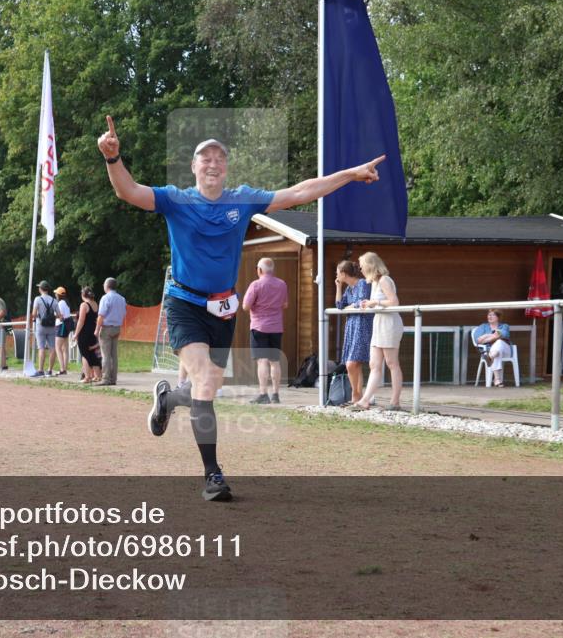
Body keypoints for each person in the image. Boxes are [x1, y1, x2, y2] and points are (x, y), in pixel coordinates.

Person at [98, 115, 385, 501]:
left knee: (208, 388)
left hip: (223, 308)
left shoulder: (242, 199)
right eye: (205, 158)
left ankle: (168, 399)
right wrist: (113, 160)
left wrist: (350, 173)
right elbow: (129, 191)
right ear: (194, 167)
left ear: (226, 167)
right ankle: (212, 474)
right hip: (183, 302)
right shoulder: (176, 199)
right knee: (203, 381)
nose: (213, 163)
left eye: (219, 158)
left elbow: (299, 193)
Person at [353, 252, 404, 411]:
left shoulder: (384, 280)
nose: (360, 269)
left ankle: (395, 402)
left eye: (362, 266)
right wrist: (369, 304)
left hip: (389, 323)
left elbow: (394, 302)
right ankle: (365, 400)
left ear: (369, 266)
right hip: (379, 323)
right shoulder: (374, 283)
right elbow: (380, 303)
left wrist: (374, 302)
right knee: (374, 364)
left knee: (392, 363)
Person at [242, 257, 288, 404]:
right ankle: (276, 395)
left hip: (259, 327)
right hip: (276, 327)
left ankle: (263, 394)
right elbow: (285, 304)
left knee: (262, 361)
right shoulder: (282, 284)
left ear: (259, 270)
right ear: (272, 269)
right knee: (275, 361)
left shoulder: (255, 285)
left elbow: (245, 306)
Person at [334, 260, 374, 405]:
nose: (336, 275)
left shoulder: (362, 283)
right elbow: (339, 305)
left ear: (344, 274)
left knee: (351, 363)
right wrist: (338, 287)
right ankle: (359, 398)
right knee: (355, 364)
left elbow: (362, 302)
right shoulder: (348, 289)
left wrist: (352, 305)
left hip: (362, 325)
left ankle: (355, 396)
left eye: (337, 272)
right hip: (352, 325)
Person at [95, 277, 127, 386]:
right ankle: (113, 379)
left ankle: (105, 378)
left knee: (105, 355)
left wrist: (97, 329)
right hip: (117, 328)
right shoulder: (122, 299)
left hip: (106, 328)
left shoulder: (105, 298)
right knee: (114, 355)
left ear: (107, 286)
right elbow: (124, 314)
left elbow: (101, 316)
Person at [473, 309, 512, 387]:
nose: (490, 316)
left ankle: (490, 357)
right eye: (489, 315)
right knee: (496, 352)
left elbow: (502, 335)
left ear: (498, 317)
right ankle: (497, 380)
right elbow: (478, 340)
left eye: (493, 315)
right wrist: (494, 336)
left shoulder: (504, 326)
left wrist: (485, 336)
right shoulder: (483, 326)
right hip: (492, 350)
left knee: (499, 342)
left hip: (506, 350)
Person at [74, 286, 103, 383]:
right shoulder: (95, 304)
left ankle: (87, 377)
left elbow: (81, 321)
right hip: (92, 332)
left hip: (84, 333)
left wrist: (75, 334)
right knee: (92, 354)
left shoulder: (84, 305)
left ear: (83, 295)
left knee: (85, 355)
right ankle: (98, 376)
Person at [31, 281, 58, 377]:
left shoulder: (37, 299)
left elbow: (33, 314)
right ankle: (50, 370)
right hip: (51, 327)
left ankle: (40, 370)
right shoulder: (54, 300)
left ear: (40, 289)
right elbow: (58, 315)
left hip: (40, 326)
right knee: (52, 348)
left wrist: (38, 315)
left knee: (41, 348)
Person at [54, 286, 73, 375]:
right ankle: (64, 368)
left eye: (56, 294)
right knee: (65, 348)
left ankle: (62, 369)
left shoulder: (61, 303)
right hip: (66, 326)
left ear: (59, 295)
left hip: (61, 326)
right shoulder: (66, 302)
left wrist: (53, 315)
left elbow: (60, 316)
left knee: (58, 347)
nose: (55, 295)